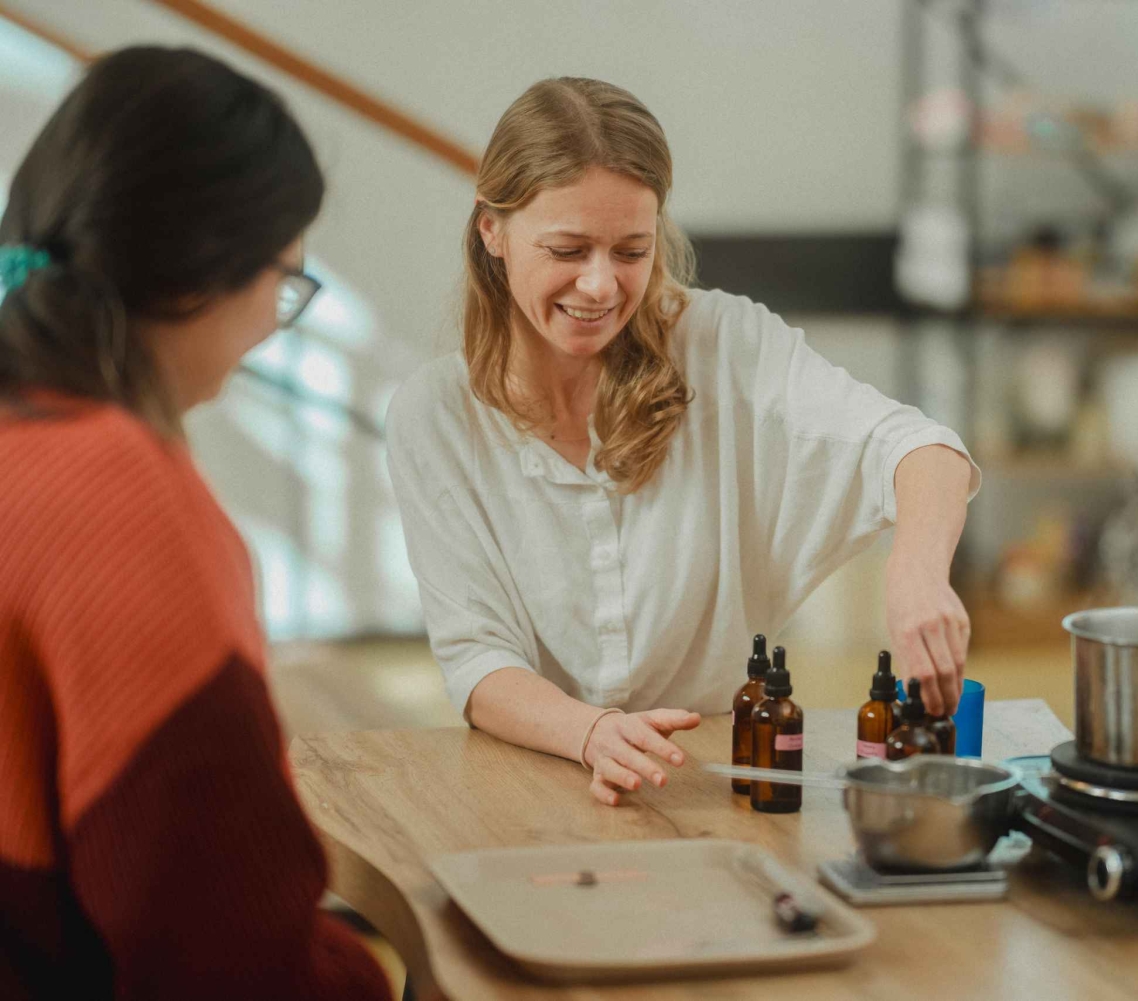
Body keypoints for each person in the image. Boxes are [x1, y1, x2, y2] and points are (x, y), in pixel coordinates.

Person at [388, 77, 980, 808]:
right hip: (534, 775)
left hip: (710, 780)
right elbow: (476, 662)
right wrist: (590, 731)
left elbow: (916, 447)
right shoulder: (435, 415)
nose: (601, 285)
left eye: (631, 250)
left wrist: (917, 572)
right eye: (569, 249)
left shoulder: (724, 344)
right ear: (492, 230)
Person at [0, 47, 387, 999]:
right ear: (197, 273)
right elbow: (224, 953)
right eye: (286, 281)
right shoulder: (118, 495)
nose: (272, 323)